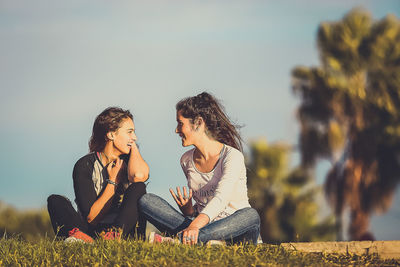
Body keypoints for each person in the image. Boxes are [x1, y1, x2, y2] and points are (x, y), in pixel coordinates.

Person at [139, 92, 260, 245]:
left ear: (198, 123)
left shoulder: (232, 157)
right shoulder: (186, 160)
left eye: (180, 123)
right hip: (202, 227)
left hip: (236, 230)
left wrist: (195, 225)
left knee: (250, 215)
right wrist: (189, 211)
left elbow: (221, 199)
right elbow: (202, 207)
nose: (176, 130)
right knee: (147, 201)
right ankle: (202, 242)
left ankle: (182, 240)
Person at [47, 107, 149, 242]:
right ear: (111, 134)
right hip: (92, 231)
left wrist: (133, 147)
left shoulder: (131, 161)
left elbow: (138, 177)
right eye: (130, 132)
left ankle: (115, 236)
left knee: (138, 187)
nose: (134, 137)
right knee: (55, 200)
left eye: (134, 132)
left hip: (124, 231)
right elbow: (91, 218)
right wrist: (112, 181)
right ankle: (80, 238)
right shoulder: (85, 165)